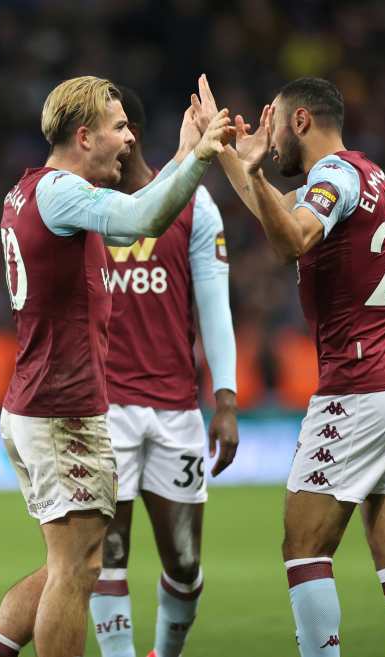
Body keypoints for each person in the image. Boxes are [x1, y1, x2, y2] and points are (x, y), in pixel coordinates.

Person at [0, 75, 231, 657]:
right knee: (77, 570)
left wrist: (187, 154)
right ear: (84, 136)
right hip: (60, 410)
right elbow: (142, 220)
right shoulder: (62, 192)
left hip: (40, 402)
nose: (129, 139)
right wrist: (199, 159)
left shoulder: (32, 189)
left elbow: (138, 205)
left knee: (67, 563)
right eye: (119, 128)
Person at [213, 76, 385, 656]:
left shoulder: (332, 179)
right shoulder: (363, 172)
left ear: (301, 122)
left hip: (361, 390)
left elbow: (291, 240)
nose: (273, 140)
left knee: (304, 548)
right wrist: (232, 160)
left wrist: (258, 171)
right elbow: (279, 217)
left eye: (276, 127)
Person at [89, 85, 239, 657]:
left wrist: (224, 400)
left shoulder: (194, 205)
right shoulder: (80, 204)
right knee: (111, 550)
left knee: (184, 559)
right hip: (103, 410)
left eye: (101, 127)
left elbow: (214, 306)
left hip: (176, 410)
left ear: (128, 135)